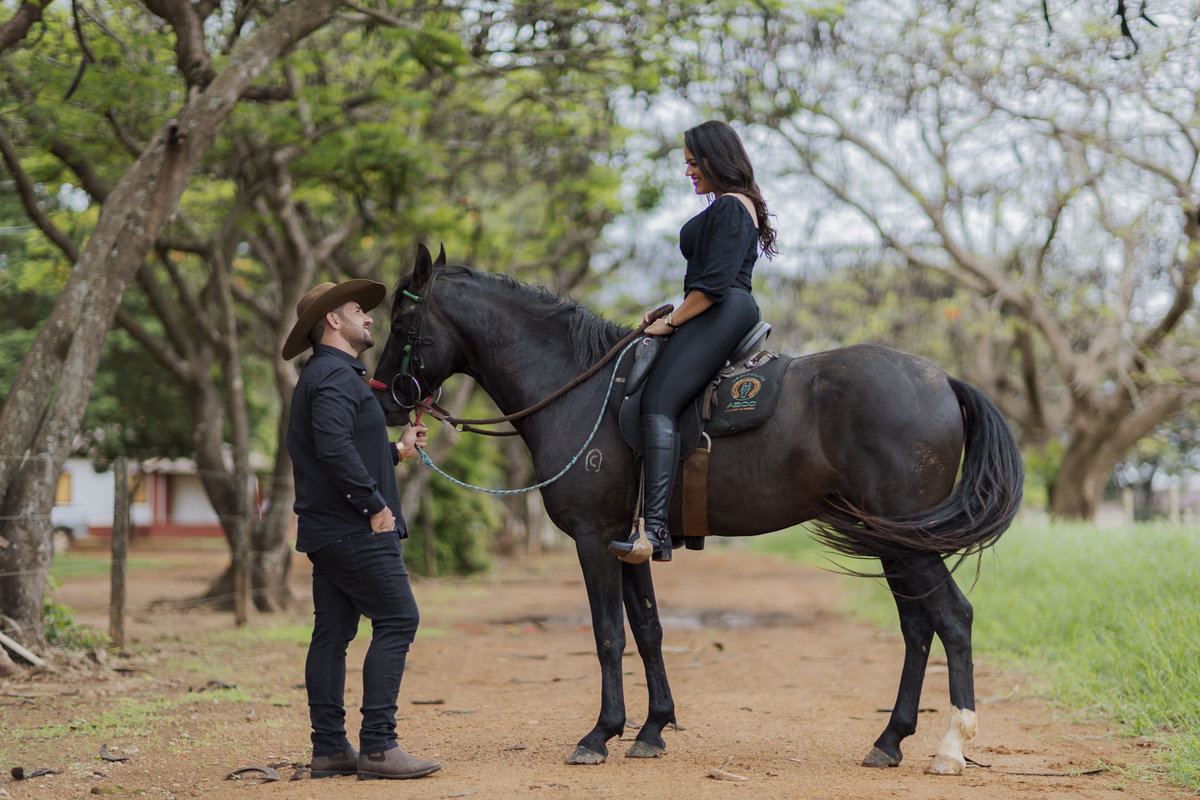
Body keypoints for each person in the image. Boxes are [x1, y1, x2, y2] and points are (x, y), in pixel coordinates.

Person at [282, 279, 440, 781]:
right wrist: (374, 507)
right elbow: (332, 450)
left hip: (331, 529)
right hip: (354, 529)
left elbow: (346, 446)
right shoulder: (331, 376)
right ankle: (378, 746)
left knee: (332, 633)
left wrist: (399, 449)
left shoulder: (334, 375)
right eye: (358, 310)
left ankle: (330, 750)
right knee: (398, 620)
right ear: (332, 320)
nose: (369, 317)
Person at [609, 120, 777, 563]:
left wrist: (673, 322)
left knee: (658, 402)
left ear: (713, 158)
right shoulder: (734, 205)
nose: (688, 172)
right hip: (718, 306)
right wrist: (673, 311)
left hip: (723, 307)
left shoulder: (728, 207)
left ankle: (657, 530)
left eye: (692, 162)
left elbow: (714, 285)